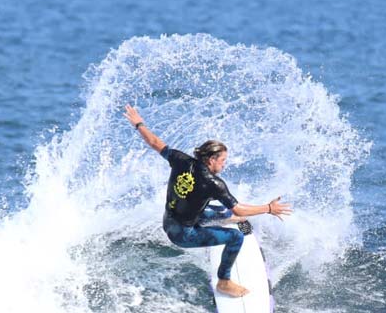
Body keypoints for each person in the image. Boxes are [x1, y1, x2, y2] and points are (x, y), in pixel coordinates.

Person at [124, 105, 291, 298]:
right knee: (236, 237)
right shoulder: (214, 183)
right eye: (222, 160)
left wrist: (138, 123)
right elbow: (241, 211)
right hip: (182, 235)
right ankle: (224, 282)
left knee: (222, 212)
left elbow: (153, 141)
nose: (224, 164)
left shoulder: (181, 159)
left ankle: (223, 220)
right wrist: (269, 208)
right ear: (211, 159)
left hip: (169, 221)